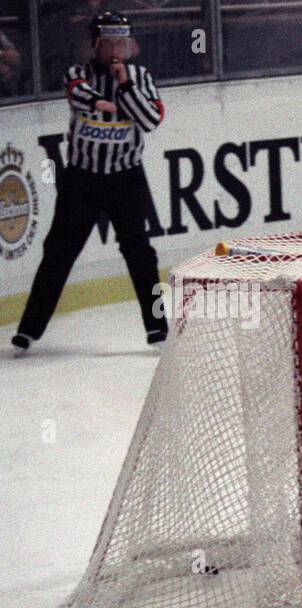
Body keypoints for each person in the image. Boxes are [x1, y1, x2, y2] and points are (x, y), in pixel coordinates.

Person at [12, 11, 166, 357]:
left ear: (131, 46)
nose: (116, 50)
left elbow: (152, 118)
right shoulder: (78, 73)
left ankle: (158, 327)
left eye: (122, 43)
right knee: (59, 253)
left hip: (126, 178)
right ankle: (28, 330)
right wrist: (113, 104)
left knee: (140, 253)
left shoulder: (140, 77)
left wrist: (124, 86)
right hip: (82, 179)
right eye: (108, 43)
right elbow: (79, 95)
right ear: (96, 46)